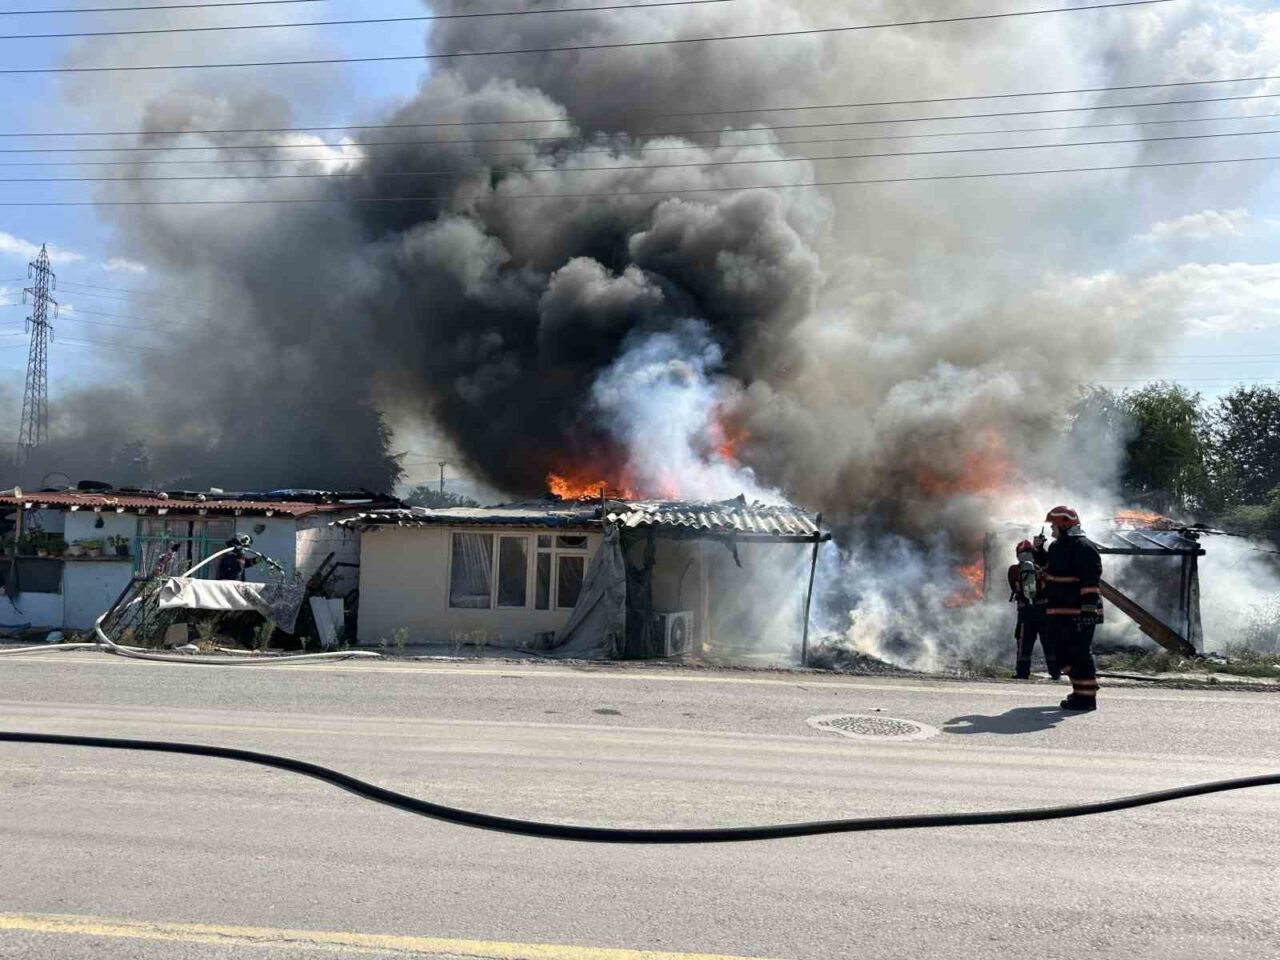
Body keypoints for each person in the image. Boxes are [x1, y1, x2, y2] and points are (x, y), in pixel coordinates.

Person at [1043, 506, 1103, 711]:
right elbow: (1052, 570)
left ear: (1065, 524)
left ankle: (1086, 698)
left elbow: (1090, 581)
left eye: (1054, 526)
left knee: (1079, 653)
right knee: (1061, 653)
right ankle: (1080, 691)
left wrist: (1088, 610)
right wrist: (1038, 552)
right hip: (1059, 611)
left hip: (1079, 612)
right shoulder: (1057, 547)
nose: (1051, 530)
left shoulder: (1085, 548)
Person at [1007, 538, 1059, 680]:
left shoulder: (1013, 570)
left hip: (1025, 613)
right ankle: (1055, 673)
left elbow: (1014, 588)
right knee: (1049, 643)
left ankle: (1022, 673)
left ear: (1018, 554)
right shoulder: (1043, 569)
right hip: (1044, 612)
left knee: (1024, 644)